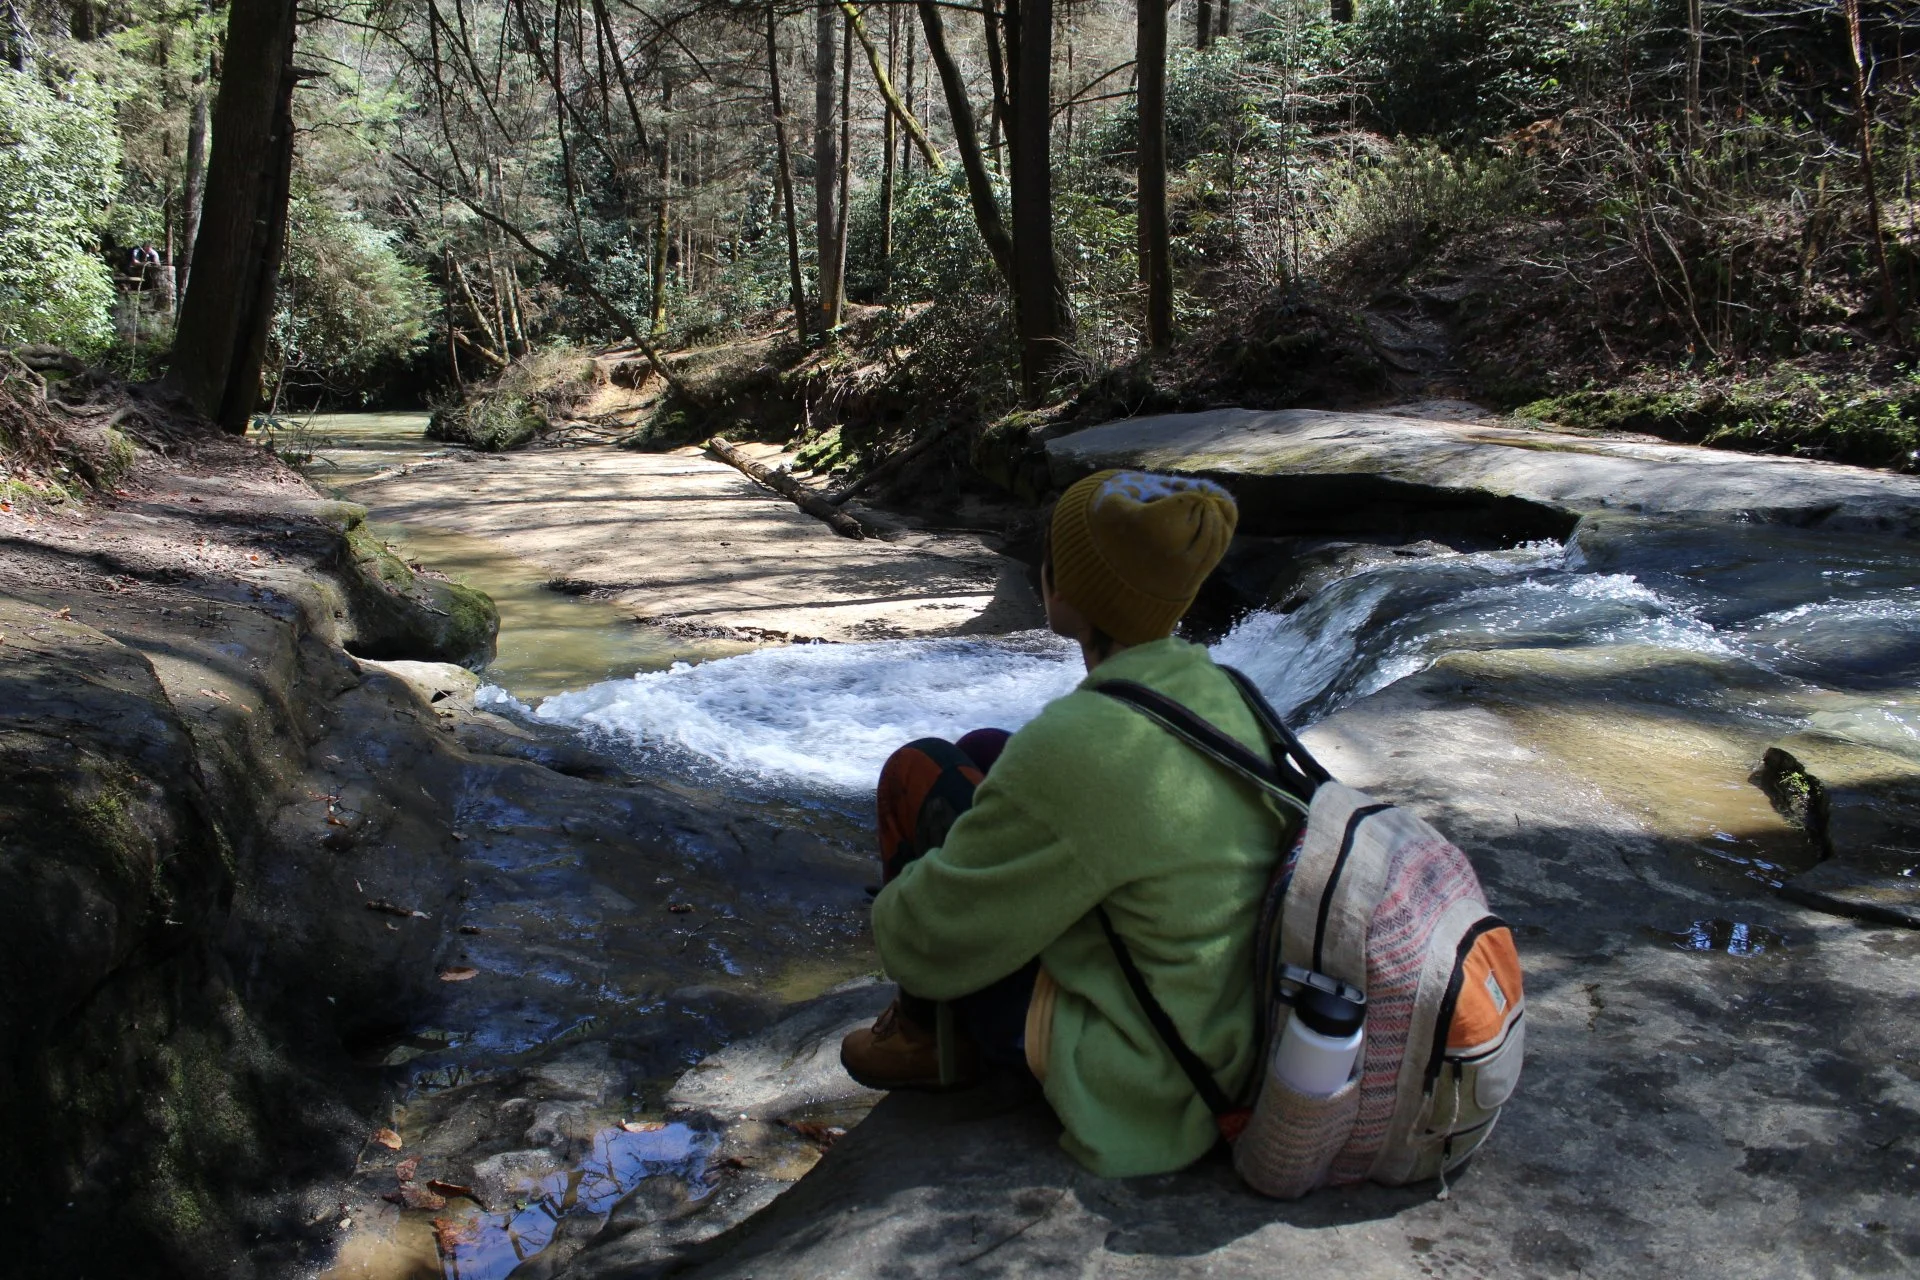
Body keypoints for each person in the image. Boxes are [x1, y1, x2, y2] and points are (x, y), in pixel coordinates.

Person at [840, 469, 1302, 1178]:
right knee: (986, 749)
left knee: (920, 769)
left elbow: (919, 938)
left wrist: (919, 883)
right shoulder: (1223, 689)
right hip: (1227, 1023)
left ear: (1067, 591)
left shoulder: (1081, 741)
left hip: (1150, 1076)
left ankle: (928, 1040)